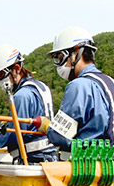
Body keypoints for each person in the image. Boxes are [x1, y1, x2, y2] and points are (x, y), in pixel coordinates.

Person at [0, 44, 58, 164]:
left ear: (17, 68)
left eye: (1, 75)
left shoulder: (21, 96)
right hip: (50, 158)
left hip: (32, 159)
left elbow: (15, 137)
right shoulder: (41, 86)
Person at [35, 26, 114, 154]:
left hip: (87, 167)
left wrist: (48, 126)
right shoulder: (110, 82)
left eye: (59, 57)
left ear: (76, 53)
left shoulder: (78, 86)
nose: (58, 65)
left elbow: (60, 136)